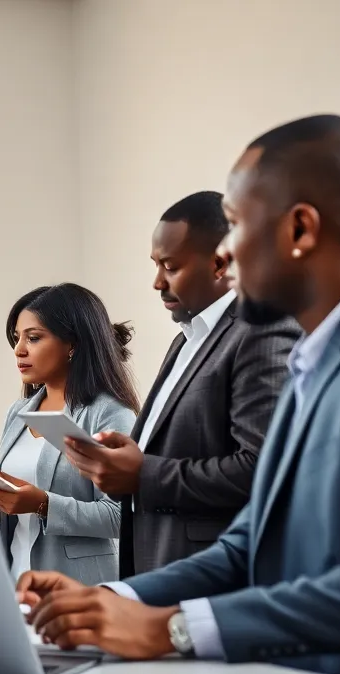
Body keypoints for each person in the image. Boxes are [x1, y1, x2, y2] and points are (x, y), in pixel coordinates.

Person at [18, 114, 340, 674]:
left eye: (237, 226)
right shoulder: (317, 352)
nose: (227, 252)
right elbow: (252, 541)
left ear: (299, 229)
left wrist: (173, 629)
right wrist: (109, 600)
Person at [63, 191, 299, 577]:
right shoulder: (186, 339)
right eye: (156, 265)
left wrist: (143, 474)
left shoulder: (263, 331)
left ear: (221, 263)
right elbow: (165, 455)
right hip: (156, 566)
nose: (157, 282)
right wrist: (121, 461)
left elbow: (262, 467)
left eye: (170, 267)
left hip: (217, 578)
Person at [0, 284, 138, 583]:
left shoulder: (109, 413)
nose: (19, 350)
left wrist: (44, 504)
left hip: (79, 586)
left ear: (73, 344)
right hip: (16, 579)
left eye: (34, 338)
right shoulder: (17, 412)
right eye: (17, 339)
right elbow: (23, 516)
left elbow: (122, 517)